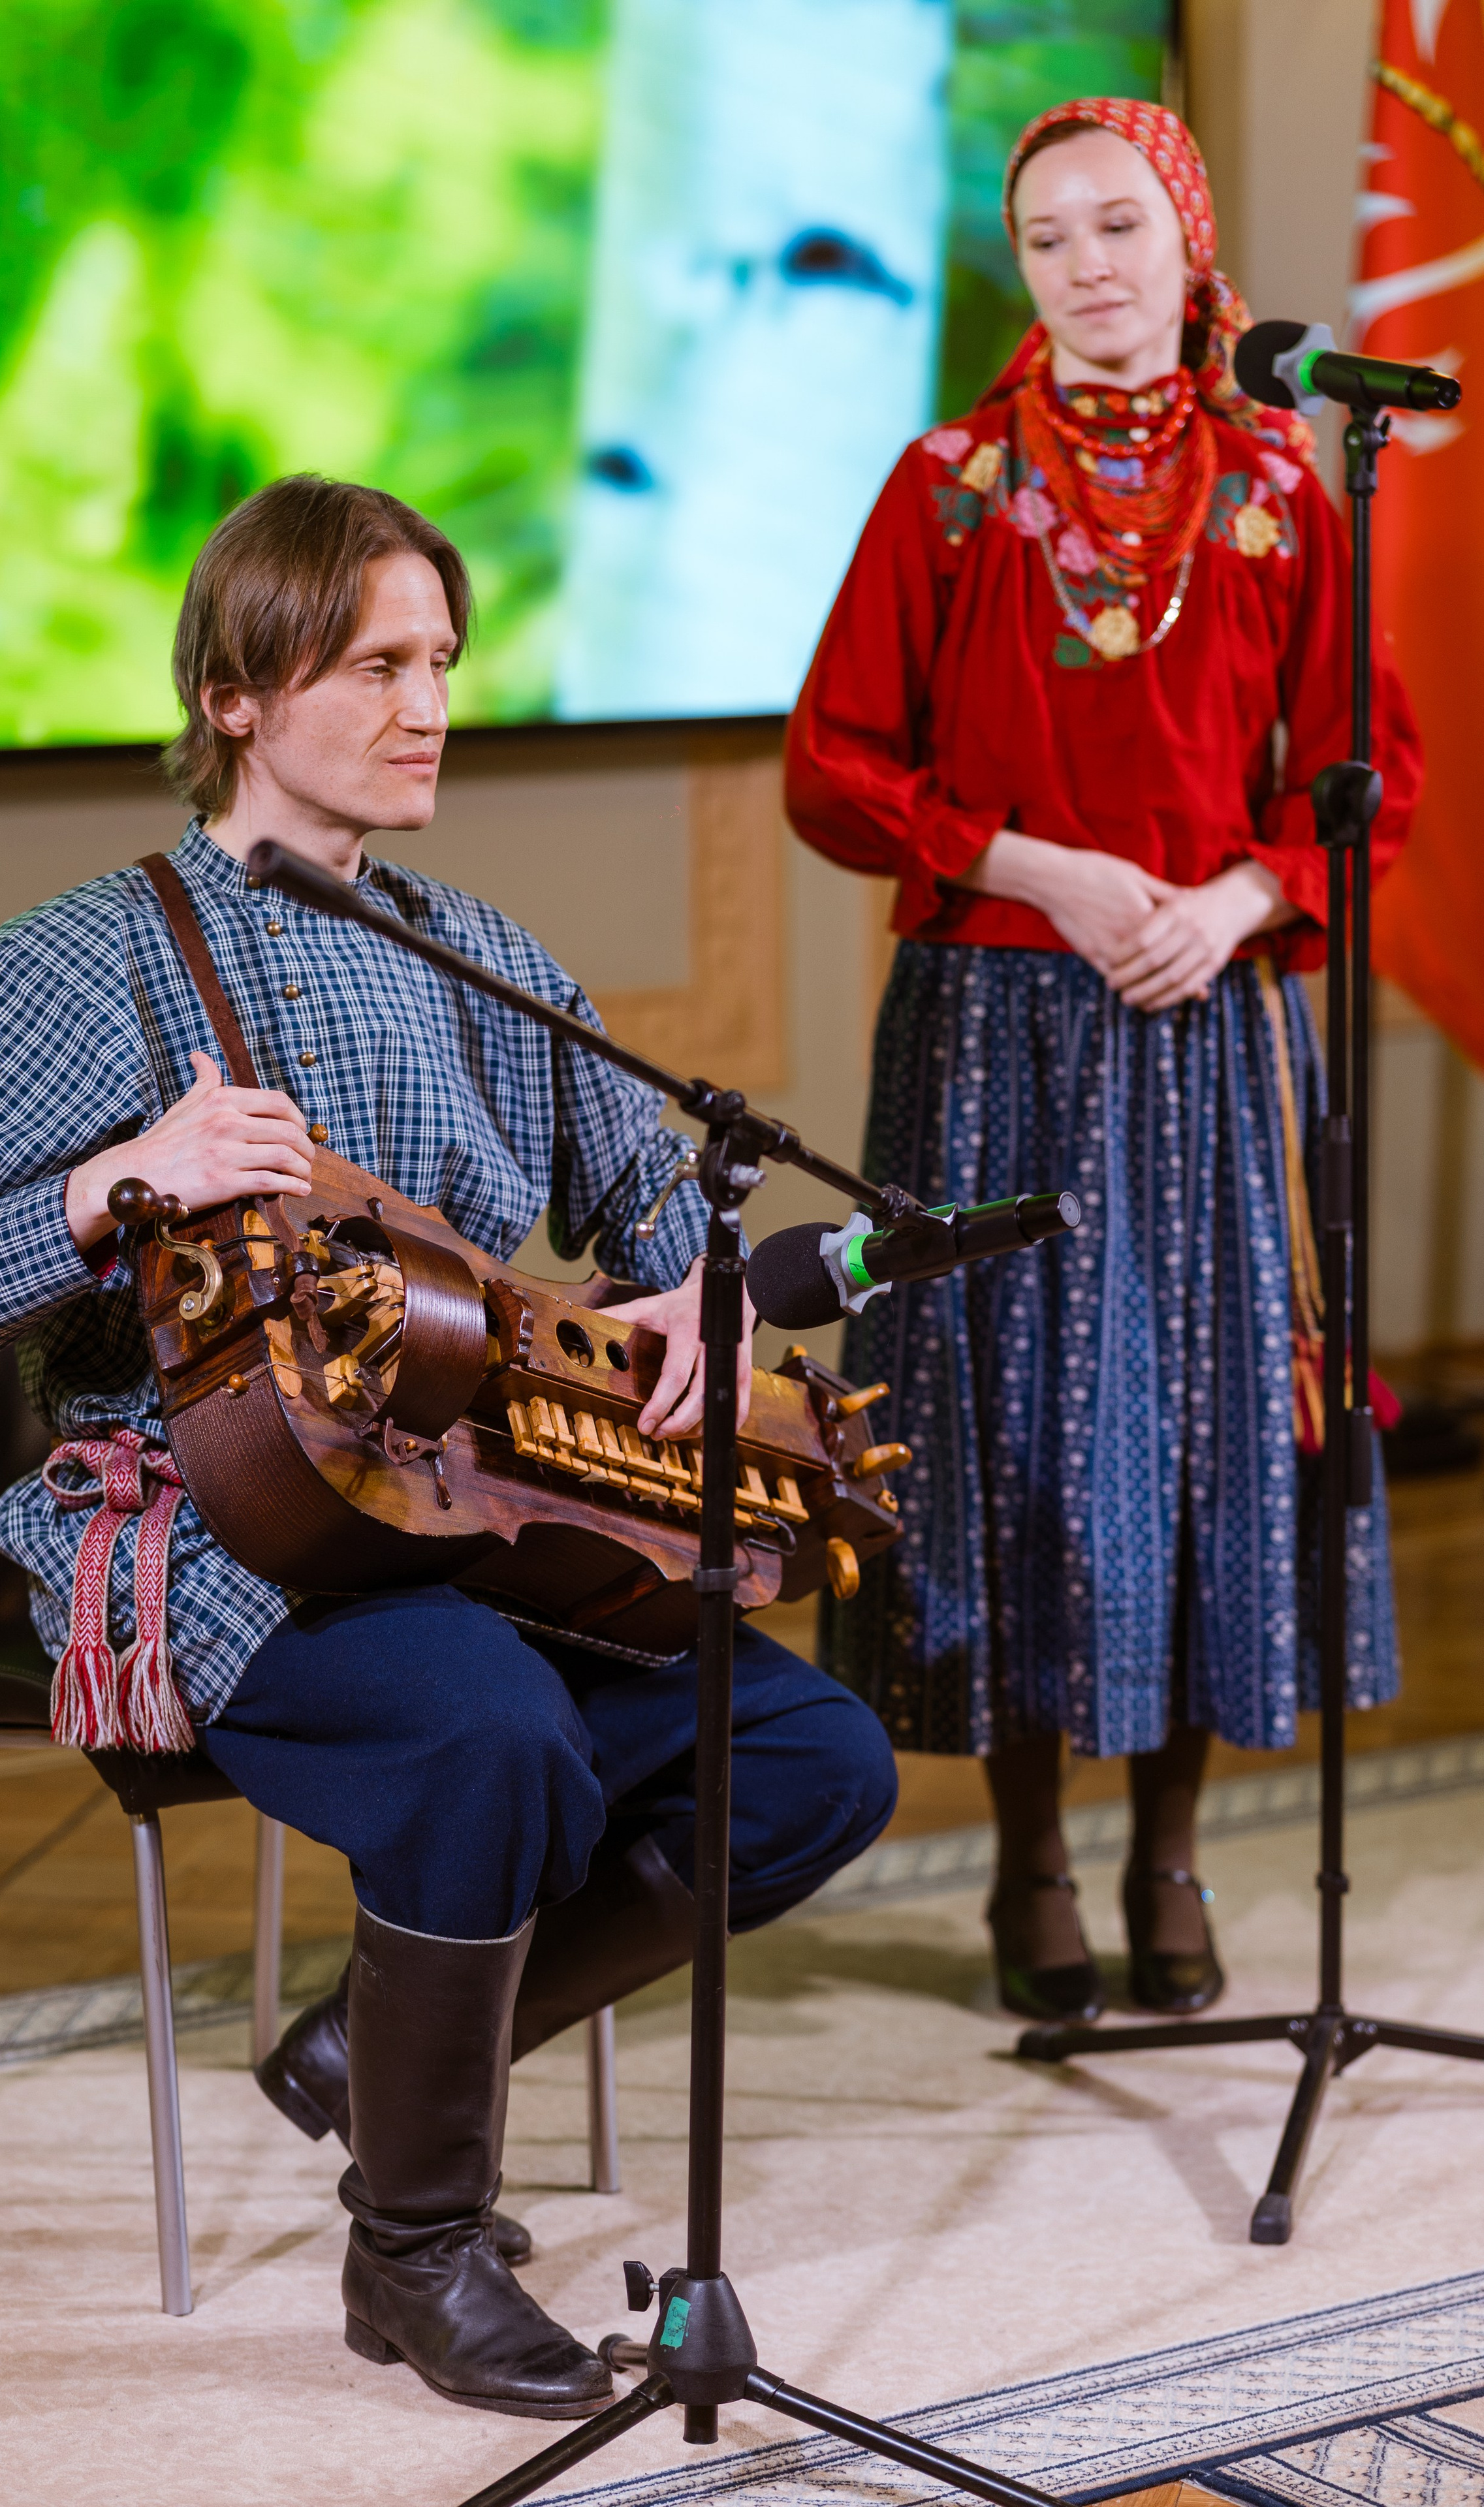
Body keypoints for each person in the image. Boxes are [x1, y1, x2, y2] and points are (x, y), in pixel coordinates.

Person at [0, 475, 898, 2420]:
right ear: (238, 689)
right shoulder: (86, 962)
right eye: (379, 664)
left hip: (479, 1506)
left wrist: (695, 1311)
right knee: (489, 1739)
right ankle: (413, 2251)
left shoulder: (480, 950)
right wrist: (112, 1181)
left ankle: (363, 2055)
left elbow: (658, 1238)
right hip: (220, 1523)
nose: (431, 704)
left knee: (817, 1760)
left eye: (445, 662)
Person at [784, 99, 1416, 2025]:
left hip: (1205, 1022)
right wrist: (1047, 869)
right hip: (995, 1021)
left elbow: (1360, 782)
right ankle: (1036, 1863)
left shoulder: (1285, 489)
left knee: (1206, 1423)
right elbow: (834, 765)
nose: (1089, 266)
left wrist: (1227, 910)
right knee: (1014, 1433)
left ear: (1189, 235)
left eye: (1119, 225)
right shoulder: (951, 484)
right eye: (1048, 238)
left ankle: (1169, 1854)